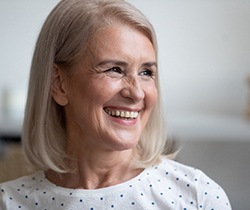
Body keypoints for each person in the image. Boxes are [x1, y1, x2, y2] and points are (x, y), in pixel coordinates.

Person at [0, 0, 231, 209]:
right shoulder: (10, 203)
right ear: (58, 84)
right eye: (114, 69)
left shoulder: (198, 197)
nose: (137, 92)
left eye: (146, 72)